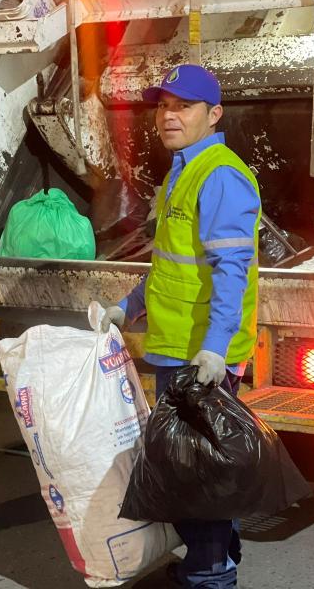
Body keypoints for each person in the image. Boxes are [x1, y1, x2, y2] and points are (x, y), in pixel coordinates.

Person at [101, 64, 261, 588]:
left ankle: (212, 576)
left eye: (183, 106)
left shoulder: (219, 174)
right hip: (176, 349)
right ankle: (209, 562)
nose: (169, 115)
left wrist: (214, 352)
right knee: (200, 475)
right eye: (164, 105)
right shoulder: (182, 171)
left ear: (213, 115)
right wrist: (129, 305)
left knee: (201, 483)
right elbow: (171, 262)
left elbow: (230, 273)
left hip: (200, 360)